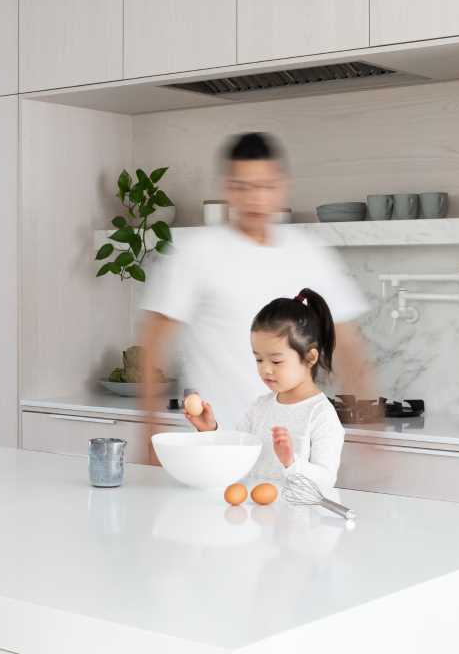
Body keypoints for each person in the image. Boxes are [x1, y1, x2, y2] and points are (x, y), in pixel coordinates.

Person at [138, 131, 371, 451]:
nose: (254, 199)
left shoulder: (309, 254)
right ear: (227, 189)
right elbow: (152, 346)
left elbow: (349, 347)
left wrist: (375, 435)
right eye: (242, 187)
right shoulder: (197, 253)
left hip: (294, 453)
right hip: (216, 449)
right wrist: (149, 439)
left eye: (265, 186)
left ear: (281, 186)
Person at [181, 289, 347, 488]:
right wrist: (209, 430)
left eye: (276, 361)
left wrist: (291, 462)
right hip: (252, 513)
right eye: (259, 359)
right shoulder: (260, 407)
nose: (265, 369)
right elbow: (235, 454)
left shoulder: (321, 415)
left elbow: (326, 481)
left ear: (310, 358)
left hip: (297, 517)